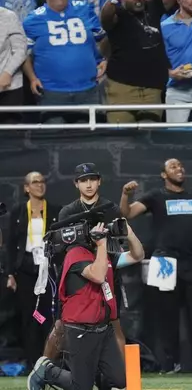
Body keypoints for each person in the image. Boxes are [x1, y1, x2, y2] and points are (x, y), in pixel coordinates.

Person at [32, 163, 124, 382]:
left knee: (113, 322)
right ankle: (43, 369)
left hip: (107, 270)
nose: (89, 184)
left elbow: (121, 242)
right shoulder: (68, 212)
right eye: (84, 180)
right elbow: (62, 248)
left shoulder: (110, 208)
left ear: (99, 180)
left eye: (92, 179)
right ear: (77, 184)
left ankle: (109, 376)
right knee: (61, 325)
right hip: (77, 273)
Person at [27, 220, 143, 390]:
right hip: (80, 330)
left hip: (104, 330)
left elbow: (137, 255)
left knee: (121, 381)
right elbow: (98, 275)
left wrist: (130, 234)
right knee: (81, 387)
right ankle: (46, 371)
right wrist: (102, 244)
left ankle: (88, 374)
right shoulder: (75, 254)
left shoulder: (105, 255)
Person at [119, 158, 192, 374]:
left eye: (181, 166)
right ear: (163, 174)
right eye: (173, 167)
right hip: (164, 262)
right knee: (165, 316)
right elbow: (127, 213)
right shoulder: (156, 196)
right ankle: (170, 363)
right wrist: (126, 194)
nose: (179, 169)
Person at [6, 172, 61, 371]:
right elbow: (11, 244)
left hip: (47, 267)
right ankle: (32, 361)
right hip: (26, 267)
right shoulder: (19, 212)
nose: (40, 185)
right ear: (26, 188)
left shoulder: (55, 210)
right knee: (30, 315)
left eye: (42, 181)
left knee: (47, 314)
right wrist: (10, 273)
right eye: (35, 182)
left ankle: (49, 361)